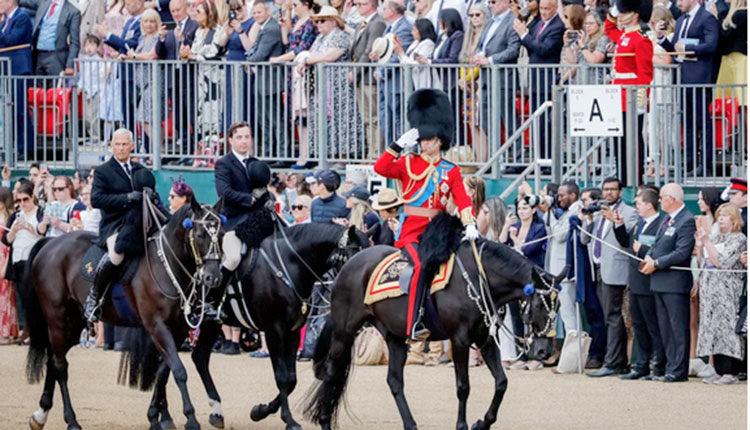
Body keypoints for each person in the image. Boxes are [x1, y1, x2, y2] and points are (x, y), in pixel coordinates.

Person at [374, 89, 478, 340]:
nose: (424, 143)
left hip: (439, 231)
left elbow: (462, 199)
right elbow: (381, 167)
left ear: (440, 140)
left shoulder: (450, 170)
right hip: (412, 230)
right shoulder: (408, 163)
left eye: (428, 139)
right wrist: (397, 146)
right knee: (419, 266)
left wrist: (470, 222)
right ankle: (414, 323)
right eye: (422, 139)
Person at [83, 129, 147, 322]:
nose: (121, 148)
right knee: (116, 255)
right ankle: (94, 296)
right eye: (117, 144)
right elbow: (96, 199)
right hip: (115, 225)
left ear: (132, 146)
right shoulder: (103, 171)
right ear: (111, 145)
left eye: (125, 144)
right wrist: (126, 198)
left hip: (139, 223)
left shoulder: (140, 170)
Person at [581, 178, 638, 377]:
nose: (608, 193)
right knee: (609, 317)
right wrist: (588, 220)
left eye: (612, 189)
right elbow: (584, 239)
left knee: (614, 317)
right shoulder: (597, 214)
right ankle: (616, 360)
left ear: (620, 192)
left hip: (617, 271)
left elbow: (626, 243)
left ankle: (613, 362)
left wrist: (616, 221)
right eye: (605, 189)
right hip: (599, 269)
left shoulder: (629, 213)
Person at [655, 0, 719, 176]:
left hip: (699, 78)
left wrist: (688, 48)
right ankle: (690, 163)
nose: (678, 3)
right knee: (688, 123)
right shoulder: (681, 20)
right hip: (682, 79)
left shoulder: (707, 18)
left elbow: (711, 45)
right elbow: (675, 48)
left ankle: (705, 164)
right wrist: (661, 38)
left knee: (702, 122)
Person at [640, 183, 696, 382]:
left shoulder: (686, 220)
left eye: (662, 197)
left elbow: (682, 252)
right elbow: (656, 244)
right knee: (665, 327)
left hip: (674, 282)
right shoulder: (667, 219)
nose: (660, 200)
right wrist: (649, 256)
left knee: (677, 327)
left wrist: (657, 262)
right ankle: (670, 366)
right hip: (660, 280)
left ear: (672, 199)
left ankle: (679, 369)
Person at [214, 122, 268, 310]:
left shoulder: (255, 162)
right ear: (230, 140)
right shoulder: (223, 164)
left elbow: (262, 189)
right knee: (233, 258)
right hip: (234, 221)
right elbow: (224, 192)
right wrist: (249, 199)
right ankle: (215, 298)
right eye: (239, 137)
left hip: (258, 218)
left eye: (247, 137)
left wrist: (265, 198)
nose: (244, 141)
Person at [613, 188, 667, 380]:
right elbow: (626, 243)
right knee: (639, 325)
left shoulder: (662, 223)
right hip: (635, 281)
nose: (637, 207)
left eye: (639, 204)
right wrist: (618, 225)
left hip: (650, 282)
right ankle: (641, 365)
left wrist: (643, 249)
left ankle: (658, 365)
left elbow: (660, 250)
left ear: (649, 205)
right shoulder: (639, 224)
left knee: (653, 326)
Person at [300, 6, 362, 160]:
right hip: (321, 87)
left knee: (341, 122)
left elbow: (330, 56)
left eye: (322, 21)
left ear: (333, 22)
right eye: (317, 21)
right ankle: (328, 156)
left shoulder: (340, 36)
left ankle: (342, 157)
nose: (318, 24)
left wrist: (306, 60)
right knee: (325, 122)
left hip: (338, 88)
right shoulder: (319, 38)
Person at [695, 203, 746, 384]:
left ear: (734, 219)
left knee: (727, 329)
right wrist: (701, 244)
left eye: (725, 215)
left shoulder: (739, 239)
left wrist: (707, 242)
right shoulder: (717, 237)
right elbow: (704, 261)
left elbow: (721, 262)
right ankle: (718, 369)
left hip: (727, 292)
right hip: (710, 290)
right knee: (712, 328)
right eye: (720, 215)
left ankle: (730, 372)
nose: (721, 219)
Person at [604, 0, 653, 184]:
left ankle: (634, 177)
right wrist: (613, 12)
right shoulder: (625, 35)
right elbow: (609, 29)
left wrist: (640, 101)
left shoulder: (641, 39)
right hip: (618, 94)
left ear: (635, 14)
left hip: (631, 96)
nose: (621, 16)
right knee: (619, 141)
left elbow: (645, 74)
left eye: (624, 12)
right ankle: (623, 176)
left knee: (632, 140)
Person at [269, 0, 319, 169]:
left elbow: (302, 48)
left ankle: (307, 154)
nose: (294, 7)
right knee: (298, 114)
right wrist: (285, 25)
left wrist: (278, 59)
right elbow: (287, 42)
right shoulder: (298, 22)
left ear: (306, 4)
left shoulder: (311, 23)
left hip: (305, 72)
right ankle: (303, 154)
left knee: (305, 112)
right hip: (294, 73)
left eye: (296, 4)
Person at [513, 0, 564, 159]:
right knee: (537, 121)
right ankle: (539, 157)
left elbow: (544, 49)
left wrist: (524, 35)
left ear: (555, 8)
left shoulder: (557, 26)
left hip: (546, 80)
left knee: (545, 123)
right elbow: (532, 46)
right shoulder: (538, 24)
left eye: (547, 9)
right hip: (535, 79)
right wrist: (524, 36)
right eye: (541, 8)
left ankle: (548, 158)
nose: (543, 12)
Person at [472, 0, 520, 162]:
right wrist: (478, 55)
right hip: (486, 80)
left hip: (502, 79)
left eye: (493, 2)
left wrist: (490, 60)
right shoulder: (490, 21)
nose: (490, 5)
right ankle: (497, 157)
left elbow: (513, 50)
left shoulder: (513, 21)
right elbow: (481, 45)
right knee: (486, 121)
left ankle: (518, 158)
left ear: (505, 2)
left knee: (509, 120)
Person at [94, 0, 145, 139]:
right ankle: (131, 146)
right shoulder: (129, 22)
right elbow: (123, 46)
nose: (126, 3)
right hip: (123, 72)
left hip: (135, 74)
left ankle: (141, 146)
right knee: (127, 114)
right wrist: (107, 37)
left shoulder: (145, 21)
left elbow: (131, 45)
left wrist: (109, 34)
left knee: (135, 113)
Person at [2, 181, 44, 344]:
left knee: (32, 296)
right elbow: (6, 240)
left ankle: (31, 330)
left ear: (32, 197)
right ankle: (28, 330)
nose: (22, 204)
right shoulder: (15, 215)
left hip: (34, 259)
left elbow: (43, 234)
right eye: (18, 201)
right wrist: (13, 231)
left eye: (25, 199)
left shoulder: (39, 213)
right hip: (17, 259)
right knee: (24, 297)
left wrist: (29, 228)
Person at [155, 0, 198, 155]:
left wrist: (182, 40)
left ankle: (194, 151)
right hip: (174, 78)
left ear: (186, 8)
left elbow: (196, 47)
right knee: (180, 117)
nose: (175, 14)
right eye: (172, 11)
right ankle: (184, 151)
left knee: (192, 115)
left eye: (178, 10)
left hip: (190, 77)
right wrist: (160, 38)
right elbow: (159, 53)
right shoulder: (168, 27)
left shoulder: (194, 25)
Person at [544, 180, 582, 350]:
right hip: (559, 269)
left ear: (572, 195)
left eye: (561, 195)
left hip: (565, 271)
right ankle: (572, 352)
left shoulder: (576, 210)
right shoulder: (566, 212)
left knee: (569, 314)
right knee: (567, 314)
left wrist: (549, 213)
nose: (558, 199)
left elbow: (559, 235)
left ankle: (574, 353)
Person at [246, 0, 285, 154]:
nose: (256, 15)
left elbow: (260, 55)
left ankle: (282, 154)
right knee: (265, 121)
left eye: (259, 12)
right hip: (263, 81)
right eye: (254, 13)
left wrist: (247, 62)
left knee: (276, 120)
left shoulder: (271, 28)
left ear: (268, 12)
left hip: (272, 82)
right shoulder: (264, 27)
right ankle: (269, 153)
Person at [349, 0, 386, 159]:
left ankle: (376, 153)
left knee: (374, 117)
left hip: (369, 78)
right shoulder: (362, 24)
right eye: (356, 4)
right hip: (361, 79)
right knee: (367, 119)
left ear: (371, 5)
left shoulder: (377, 23)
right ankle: (372, 152)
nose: (357, 7)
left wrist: (355, 71)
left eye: (361, 4)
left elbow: (369, 50)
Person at [374, 0, 413, 145]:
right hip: (386, 83)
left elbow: (398, 55)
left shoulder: (404, 28)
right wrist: (375, 60)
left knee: (399, 120)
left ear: (393, 11)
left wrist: (383, 72)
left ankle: (403, 154)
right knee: (386, 119)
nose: (381, 11)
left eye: (384, 8)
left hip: (397, 82)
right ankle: (390, 154)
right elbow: (384, 54)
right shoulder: (389, 28)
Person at [0, 0, 34, 158]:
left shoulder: (22, 17)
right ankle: (10, 145)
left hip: (18, 70)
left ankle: (25, 147)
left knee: (20, 109)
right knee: (7, 109)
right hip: (6, 71)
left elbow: (10, 40)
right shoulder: (5, 20)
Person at [123, 8, 160, 150]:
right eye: (146, 21)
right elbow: (136, 54)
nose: (149, 24)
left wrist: (133, 56)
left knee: (149, 120)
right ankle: (156, 150)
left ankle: (157, 151)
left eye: (152, 21)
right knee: (145, 119)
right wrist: (126, 56)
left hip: (153, 82)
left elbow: (151, 55)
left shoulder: (157, 37)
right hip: (142, 84)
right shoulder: (142, 38)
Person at [457, 2, 489, 155]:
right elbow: (464, 59)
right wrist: (463, 79)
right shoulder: (469, 37)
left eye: (478, 15)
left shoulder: (487, 34)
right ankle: (478, 157)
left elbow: (479, 61)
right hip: (468, 85)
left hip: (479, 82)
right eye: (471, 15)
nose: (474, 18)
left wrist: (468, 79)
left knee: (481, 122)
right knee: (471, 123)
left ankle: (484, 158)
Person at [31, 0, 81, 76]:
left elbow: (74, 42)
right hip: (39, 55)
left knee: (55, 87)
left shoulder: (73, 11)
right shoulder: (43, 3)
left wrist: (70, 65)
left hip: (56, 57)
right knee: (37, 86)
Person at [715, 0, 746, 105]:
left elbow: (726, 37)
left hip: (735, 60)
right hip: (738, 60)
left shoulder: (739, 15)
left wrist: (718, 17)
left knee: (739, 100)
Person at [395, 18, 437, 89]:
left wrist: (401, 53)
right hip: (411, 81)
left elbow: (416, 65)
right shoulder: (415, 43)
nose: (412, 33)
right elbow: (405, 60)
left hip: (422, 82)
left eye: (414, 30)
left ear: (422, 30)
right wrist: (399, 50)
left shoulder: (428, 44)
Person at [429, 8, 463, 93]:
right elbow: (435, 54)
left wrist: (430, 62)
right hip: (438, 78)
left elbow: (453, 59)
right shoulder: (442, 36)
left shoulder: (457, 35)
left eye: (440, 18)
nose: (438, 20)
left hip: (450, 81)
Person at [0, 187, 18, 345]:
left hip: (4, 256)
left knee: (6, 295)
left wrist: (6, 263)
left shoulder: (10, 218)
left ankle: (6, 332)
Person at [558, 3, 587, 83]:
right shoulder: (568, 36)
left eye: (567, 17)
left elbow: (576, 63)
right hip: (564, 76)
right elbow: (564, 59)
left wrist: (563, 79)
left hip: (575, 81)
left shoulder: (584, 37)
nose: (565, 21)